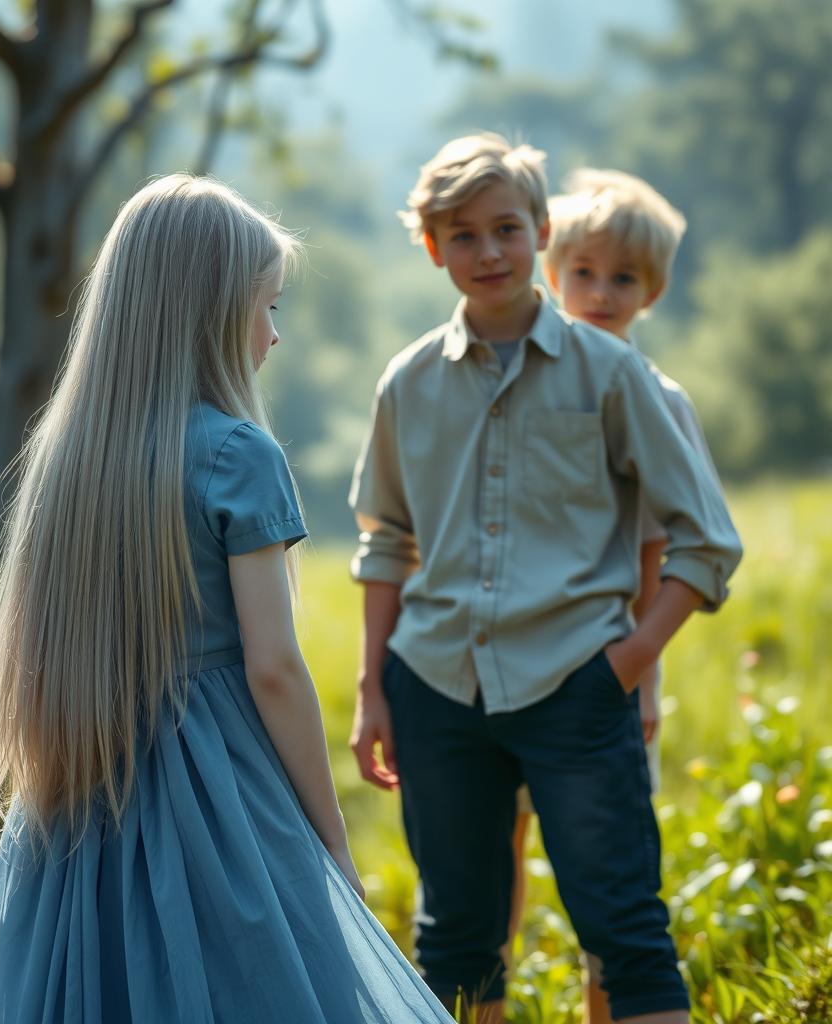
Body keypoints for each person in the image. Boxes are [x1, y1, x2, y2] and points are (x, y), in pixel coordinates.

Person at [0, 174, 455, 1024]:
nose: (274, 335)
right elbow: (276, 670)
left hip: (79, 786)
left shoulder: (65, 459)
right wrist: (331, 839)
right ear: (209, 312)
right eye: (267, 307)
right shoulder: (238, 454)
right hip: (220, 795)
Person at [348, 133, 742, 1024]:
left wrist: (628, 663)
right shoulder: (406, 383)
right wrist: (376, 689)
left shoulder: (612, 374)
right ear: (431, 246)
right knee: (455, 938)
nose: (487, 252)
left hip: (577, 683)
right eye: (461, 236)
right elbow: (386, 541)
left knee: (627, 931)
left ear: (541, 230)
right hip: (437, 691)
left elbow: (704, 539)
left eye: (506, 229)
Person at [506, 167, 727, 1024]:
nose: (600, 294)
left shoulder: (661, 399)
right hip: (505, 664)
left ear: (654, 289)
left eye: (624, 278)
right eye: (584, 272)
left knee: (609, 879)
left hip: (612, 669)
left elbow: (679, 543)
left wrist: (635, 672)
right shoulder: (517, 378)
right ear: (553, 272)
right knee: (492, 868)